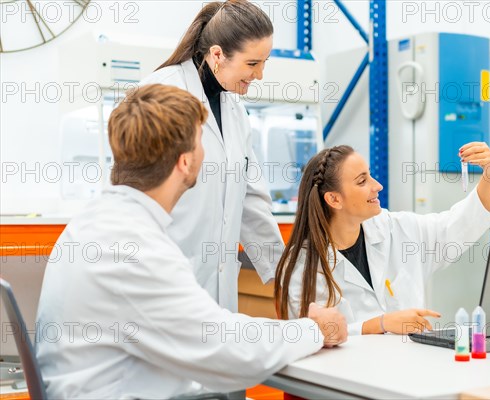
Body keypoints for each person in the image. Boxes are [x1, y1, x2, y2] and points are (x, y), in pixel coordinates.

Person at [35, 84, 347, 399]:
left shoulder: (96, 223)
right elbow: (226, 350)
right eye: (202, 140)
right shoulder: (133, 247)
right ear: (185, 162)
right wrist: (314, 329)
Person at [274, 144, 490, 336]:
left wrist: (489, 177)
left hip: (407, 374)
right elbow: (310, 336)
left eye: (371, 176)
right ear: (334, 199)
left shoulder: (397, 230)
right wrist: (381, 324)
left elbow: (456, 225)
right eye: (362, 181)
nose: (378, 186)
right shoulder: (302, 265)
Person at [140, 0, 280, 312]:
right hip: (165, 286)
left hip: (218, 292)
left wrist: (284, 278)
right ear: (217, 55)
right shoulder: (161, 93)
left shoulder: (235, 110)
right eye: (252, 63)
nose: (260, 75)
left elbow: (251, 201)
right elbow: (138, 199)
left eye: (264, 62)